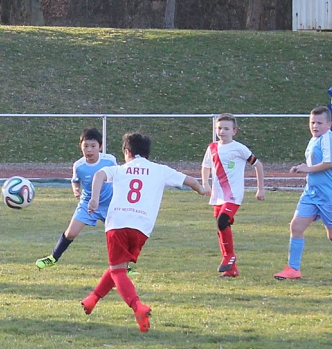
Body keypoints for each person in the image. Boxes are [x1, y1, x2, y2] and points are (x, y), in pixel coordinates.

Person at [83, 133, 207, 332]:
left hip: (118, 223)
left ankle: (137, 307)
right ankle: (93, 299)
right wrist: (201, 189)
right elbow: (190, 181)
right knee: (118, 266)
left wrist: (95, 199)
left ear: (127, 152)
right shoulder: (160, 170)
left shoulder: (121, 169)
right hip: (142, 227)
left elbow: (99, 175)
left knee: (117, 270)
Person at [274, 106, 332, 280]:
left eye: (319, 123)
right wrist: (302, 167)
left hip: (331, 195)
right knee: (296, 226)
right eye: (312, 122)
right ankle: (293, 269)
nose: (315, 126)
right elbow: (315, 163)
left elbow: (330, 163)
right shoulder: (314, 139)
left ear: (329, 124)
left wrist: (307, 169)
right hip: (311, 193)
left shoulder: (327, 139)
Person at [36, 128, 117, 269]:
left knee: (116, 235)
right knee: (71, 233)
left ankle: (124, 266)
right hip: (87, 204)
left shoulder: (109, 160)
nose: (89, 150)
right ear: (80, 146)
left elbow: (118, 177)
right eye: (86, 146)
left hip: (109, 204)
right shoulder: (79, 165)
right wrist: (76, 189)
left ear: (100, 147)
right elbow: (75, 180)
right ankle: (53, 258)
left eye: (93, 146)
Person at [200, 113, 266, 278]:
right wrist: (205, 184)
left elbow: (258, 165)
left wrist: (261, 189)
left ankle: (229, 256)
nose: (222, 131)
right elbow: (206, 166)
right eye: (219, 128)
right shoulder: (212, 147)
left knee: (222, 221)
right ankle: (231, 269)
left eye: (226, 128)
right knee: (221, 228)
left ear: (234, 131)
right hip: (218, 195)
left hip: (233, 194)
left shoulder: (239, 148)